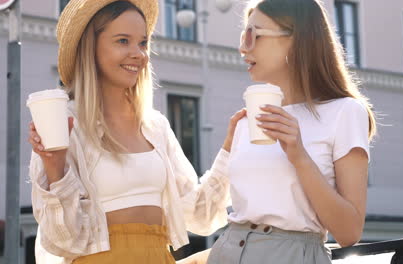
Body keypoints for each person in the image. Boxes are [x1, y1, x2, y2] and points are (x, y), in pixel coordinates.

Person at [27, 0, 245, 263]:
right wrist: (55, 170)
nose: (138, 54)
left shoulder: (155, 126)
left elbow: (199, 214)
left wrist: (232, 146)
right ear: (91, 48)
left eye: (142, 43)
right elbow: (64, 240)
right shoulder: (66, 122)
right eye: (122, 41)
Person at [179, 0, 376, 263]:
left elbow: (349, 232)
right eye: (243, 35)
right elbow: (202, 215)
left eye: (254, 35)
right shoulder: (249, 119)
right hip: (228, 250)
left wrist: (299, 156)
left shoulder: (345, 112)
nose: (242, 48)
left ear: (296, 39)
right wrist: (227, 149)